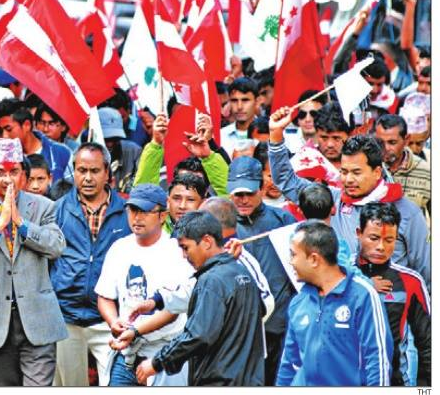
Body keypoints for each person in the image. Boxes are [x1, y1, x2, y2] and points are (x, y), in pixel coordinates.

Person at [269, 108, 431, 290]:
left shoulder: (407, 212)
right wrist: (276, 136)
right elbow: (286, 180)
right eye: (344, 172)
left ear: (377, 172)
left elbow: (426, 273)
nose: (348, 180)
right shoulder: (330, 199)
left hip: (392, 310)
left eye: (356, 172)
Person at [0, 138, 68, 386]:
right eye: (0, 172)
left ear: (24, 176)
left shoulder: (43, 206)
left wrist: (21, 224)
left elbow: (56, 246)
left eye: (14, 172)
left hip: (37, 319)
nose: (7, 179)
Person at [135, 211, 265, 386]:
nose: (183, 255)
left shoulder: (212, 280)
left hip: (219, 381)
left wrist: (157, 362)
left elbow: (198, 335)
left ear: (206, 242)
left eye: (185, 247)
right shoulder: (242, 272)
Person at [95, 184, 194, 386]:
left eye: (145, 211)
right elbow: (104, 296)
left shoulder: (176, 251)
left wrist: (136, 332)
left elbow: (173, 309)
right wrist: (114, 322)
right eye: (133, 210)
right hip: (126, 352)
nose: (137, 217)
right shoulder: (119, 247)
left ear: (162, 216)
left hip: (165, 351)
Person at [52, 142, 131, 387]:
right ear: (73, 171)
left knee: (117, 383)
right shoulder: (57, 210)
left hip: (111, 318)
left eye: (94, 171)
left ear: (108, 173)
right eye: (81, 170)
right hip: (67, 315)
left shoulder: (126, 211)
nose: (87, 178)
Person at [276, 221, 393, 386]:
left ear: (314, 259)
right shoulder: (299, 302)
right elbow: (289, 364)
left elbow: (378, 361)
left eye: (294, 255)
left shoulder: (362, 295)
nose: (291, 261)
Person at [226, 155, 297, 385]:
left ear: (261, 188)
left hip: (277, 327)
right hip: (235, 330)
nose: (243, 200)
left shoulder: (283, 221)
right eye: (238, 194)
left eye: (249, 193)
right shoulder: (220, 223)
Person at [355, 203, 431, 386]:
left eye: (389, 240)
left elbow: (428, 344)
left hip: (393, 382)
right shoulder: (339, 274)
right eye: (373, 238)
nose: (381, 247)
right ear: (359, 233)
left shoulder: (411, 281)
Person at [0, 98, 72, 182]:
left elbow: (72, 191)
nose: (4, 136)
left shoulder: (61, 153)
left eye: (9, 129)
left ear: (27, 125)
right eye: (1, 131)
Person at [373, 114, 430, 214]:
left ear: (406, 139)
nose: (386, 148)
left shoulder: (427, 172)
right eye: (380, 142)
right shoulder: (369, 168)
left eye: (392, 142)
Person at [98, 107, 142, 194]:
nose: (110, 144)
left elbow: (141, 187)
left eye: (115, 139)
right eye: (106, 139)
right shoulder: (82, 157)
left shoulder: (134, 152)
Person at [220, 78, 259, 157]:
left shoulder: (272, 134)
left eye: (245, 100)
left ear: (256, 102)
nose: (239, 106)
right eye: (234, 100)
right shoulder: (220, 136)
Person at [283, 90, 327, 154]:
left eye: (313, 114)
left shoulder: (331, 142)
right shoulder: (286, 140)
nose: (307, 119)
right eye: (302, 114)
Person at [312, 101, 353, 169]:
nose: (330, 144)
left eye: (336, 138)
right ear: (316, 134)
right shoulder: (301, 164)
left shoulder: (364, 163)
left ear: (350, 136)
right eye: (324, 138)